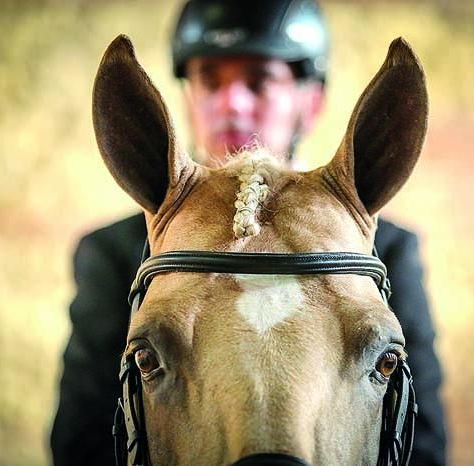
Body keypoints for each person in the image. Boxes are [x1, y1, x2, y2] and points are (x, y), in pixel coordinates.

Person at [50, 1, 447, 465]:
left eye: (259, 81)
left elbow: (421, 443)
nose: (231, 103)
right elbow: (83, 439)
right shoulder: (115, 253)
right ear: (187, 98)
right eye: (210, 80)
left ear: (311, 102)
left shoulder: (389, 250)